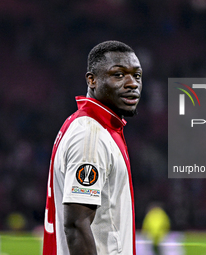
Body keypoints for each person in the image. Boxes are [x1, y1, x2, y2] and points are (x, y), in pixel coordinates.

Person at [43, 40, 143, 255]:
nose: (132, 83)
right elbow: (76, 225)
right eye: (119, 75)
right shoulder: (90, 135)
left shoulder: (91, 126)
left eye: (137, 76)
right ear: (92, 80)